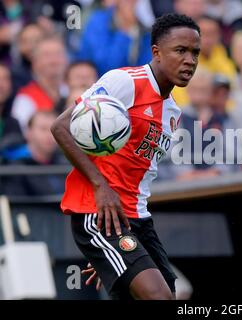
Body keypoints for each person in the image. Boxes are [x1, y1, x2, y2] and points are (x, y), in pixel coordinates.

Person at [51, 13, 201, 300]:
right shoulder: (124, 82)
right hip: (98, 212)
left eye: (195, 53)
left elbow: (140, 176)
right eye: (180, 51)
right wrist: (100, 186)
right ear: (156, 52)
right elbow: (60, 127)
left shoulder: (172, 112)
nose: (190, 61)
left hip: (136, 220)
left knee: (170, 294)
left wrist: (114, 257)